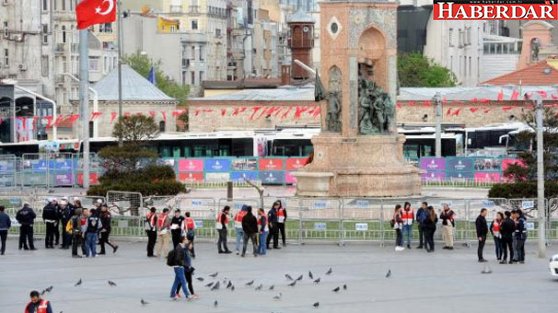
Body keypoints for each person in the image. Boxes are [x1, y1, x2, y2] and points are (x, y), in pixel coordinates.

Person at [170, 236, 191, 301]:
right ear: (183, 240)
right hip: (179, 267)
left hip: (179, 267)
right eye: (186, 239)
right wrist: (183, 264)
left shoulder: (182, 246)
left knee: (176, 281)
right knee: (183, 281)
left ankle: (172, 294)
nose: (187, 240)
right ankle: (187, 295)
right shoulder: (179, 248)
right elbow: (178, 259)